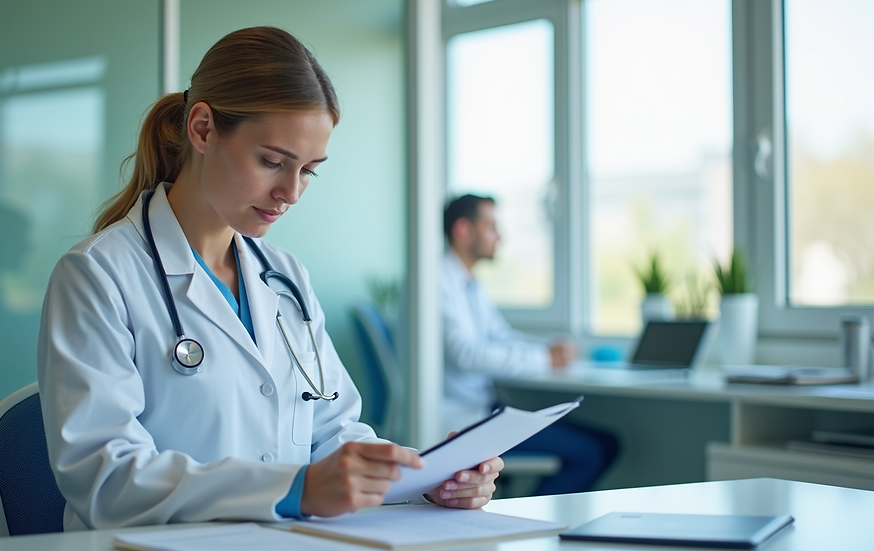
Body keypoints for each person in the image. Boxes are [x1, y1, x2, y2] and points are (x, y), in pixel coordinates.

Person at [37, 27, 503, 531]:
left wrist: (424, 473)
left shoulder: (284, 277)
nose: (291, 192)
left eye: (309, 171)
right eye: (272, 162)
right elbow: (105, 478)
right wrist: (293, 489)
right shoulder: (98, 275)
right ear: (202, 129)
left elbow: (334, 430)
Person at [442, 194, 618, 495]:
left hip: (483, 409)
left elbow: (500, 335)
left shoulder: (467, 282)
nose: (500, 235)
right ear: (463, 230)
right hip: (463, 419)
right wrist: (544, 359)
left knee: (605, 442)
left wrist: (547, 350)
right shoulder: (435, 281)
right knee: (593, 451)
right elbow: (466, 354)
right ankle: (537, 530)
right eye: (491, 226)